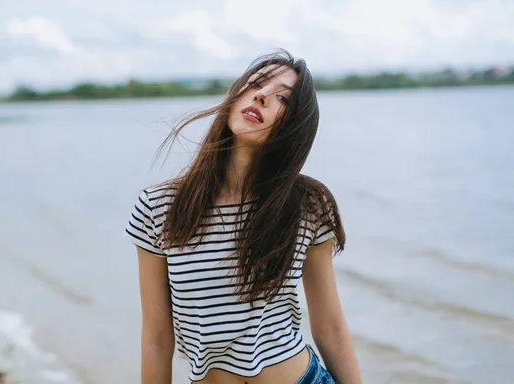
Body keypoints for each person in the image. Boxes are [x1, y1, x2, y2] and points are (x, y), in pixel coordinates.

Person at [124, 49, 362, 384]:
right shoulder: (159, 206)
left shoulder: (307, 205)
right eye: (256, 84)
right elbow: (157, 338)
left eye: (282, 98)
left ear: (293, 125)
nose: (262, 95)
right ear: (236, 95)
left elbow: (330, 326)